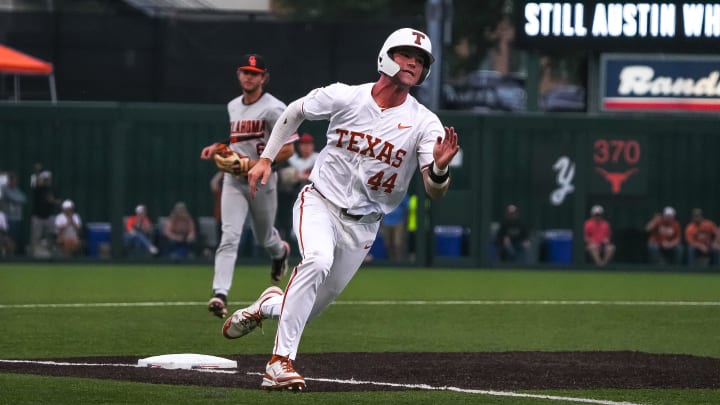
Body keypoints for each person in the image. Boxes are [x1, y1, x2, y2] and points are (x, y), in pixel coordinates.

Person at [222, 28, 460, 391]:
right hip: (320, 201)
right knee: (316, 260)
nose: (413, 62)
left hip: (364, 227)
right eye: (405, 54)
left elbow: (435, 190)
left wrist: (441, 169)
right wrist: (266, 158)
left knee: (304, 310)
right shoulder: (346, 96)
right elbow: (294, 111)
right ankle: (278, 364)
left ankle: (268, 303)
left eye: (422, 60)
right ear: (385, 56)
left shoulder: (425, 122)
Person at [200, 53, 298, 318]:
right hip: (235, 181)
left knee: (264, 238)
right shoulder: (233, 106)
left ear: (264, 78)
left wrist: (258, 163)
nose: (248, 76)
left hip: (263, 181)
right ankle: (219, 294)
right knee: (229, 236)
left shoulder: (275, 108)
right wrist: (219, 147)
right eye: (245, 72)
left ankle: (280, 252)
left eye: (254, 73)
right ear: (238, 74)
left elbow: (289, 149)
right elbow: (237, 145)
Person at [30, 170, 61, 258]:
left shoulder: (53, 189)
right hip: (37, 217)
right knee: (36, 237)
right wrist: (36, 173)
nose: (47, 181)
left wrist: (53, 201)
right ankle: (33, 256)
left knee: (50, 237)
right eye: (45, 179)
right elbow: (32, 183)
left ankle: (49, 255)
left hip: (49, 217)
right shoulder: (37, 189)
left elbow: (59, 201)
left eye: (48, 179)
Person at [0, 172, 27, 256]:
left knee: (14, 237)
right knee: (7, 237)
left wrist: (16, 199)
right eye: (11, 180)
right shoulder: (4, 188)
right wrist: (16, 198)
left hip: (17, 218)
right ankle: (7, 254)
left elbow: (23, 199)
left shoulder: (16, 189)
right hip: (6, 217)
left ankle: (11, 255)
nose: (13, 182)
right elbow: (10, 196)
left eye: (14, 180)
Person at [381, 194, 409, 262]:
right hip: (386, 222)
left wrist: (405, 221)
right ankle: (391, 260)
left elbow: (407, 208)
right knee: (387, 243)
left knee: (398, 243)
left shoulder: (402, 193)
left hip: (399, 222)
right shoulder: (383, 194)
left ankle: (399, 260)